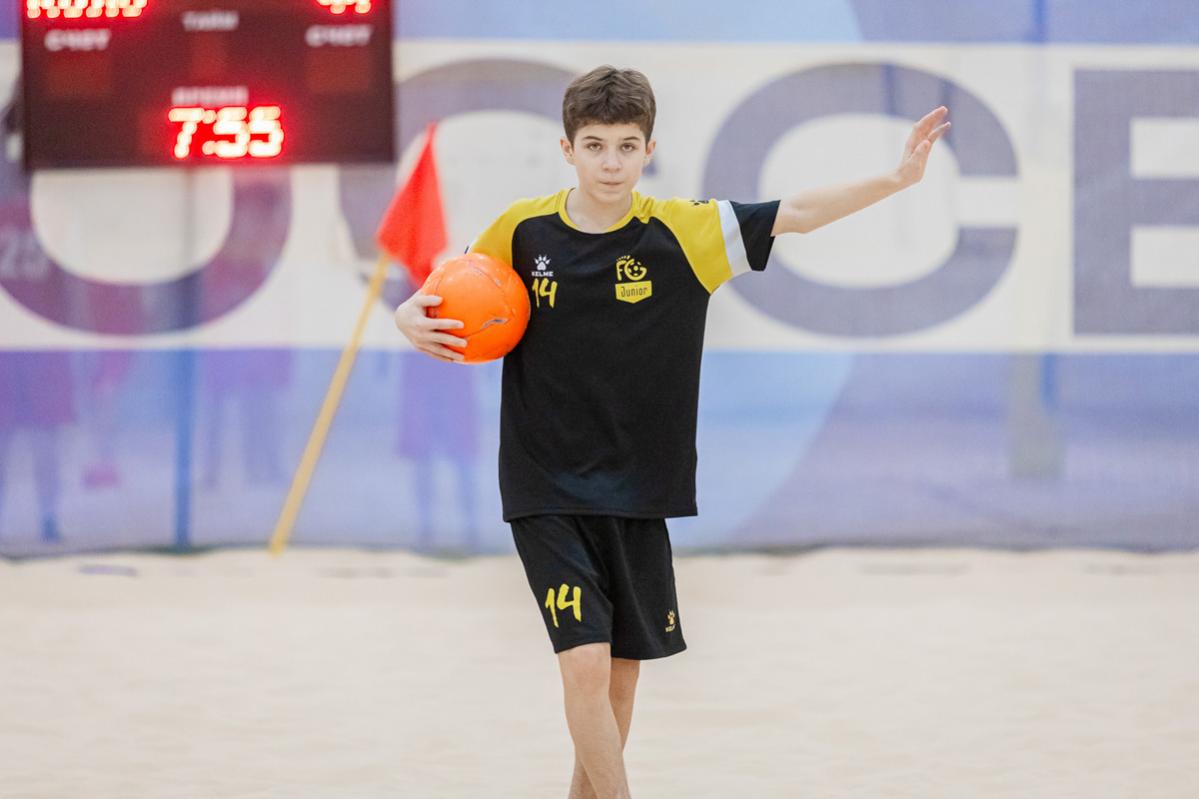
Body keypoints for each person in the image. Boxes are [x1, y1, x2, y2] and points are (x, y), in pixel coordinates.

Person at [394, 65, 949, 799]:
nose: (611, 162)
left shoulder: (686, 231)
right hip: (544, 482)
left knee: (620, 681)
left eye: (627, 146)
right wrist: (406, 314)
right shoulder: (521, 230)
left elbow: (798, 212)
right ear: (567, 149)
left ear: (648, 150)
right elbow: (447, 292)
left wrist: (896, 179)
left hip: (640, 486)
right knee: (584, 665)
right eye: (595, 145)